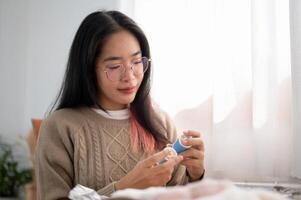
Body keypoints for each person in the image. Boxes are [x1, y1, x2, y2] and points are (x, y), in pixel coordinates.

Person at [35, 10, 205, 200]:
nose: (130, 77)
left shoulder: (161, 121)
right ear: (89, 70)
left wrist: (196, 176)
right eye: (115, 67)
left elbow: (178, 194)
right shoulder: (60, 127)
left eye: (136, 62)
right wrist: (124, 187)